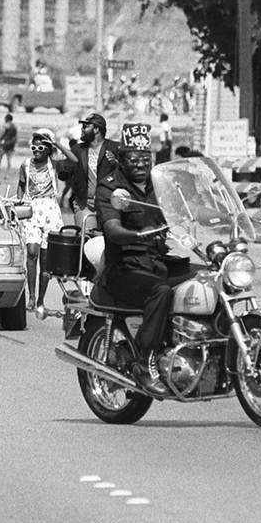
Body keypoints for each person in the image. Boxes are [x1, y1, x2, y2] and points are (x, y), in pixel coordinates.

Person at [95, 122, 198, 397]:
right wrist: (136, 234)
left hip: (155, 262)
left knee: (207, 280)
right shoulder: (111, 188)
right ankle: (143, 361)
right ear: (122, 159)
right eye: (133, 159)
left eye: (145, 158)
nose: (140, 164)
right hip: (124, 268)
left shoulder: (160, 185)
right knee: (160, 291)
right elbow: (112, 229)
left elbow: (187, 210)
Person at [18, 129, 66, 313]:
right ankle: (30, 296)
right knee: (32, 252)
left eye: (41, 147)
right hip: (32, 209)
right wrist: (19, 204)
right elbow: (21, 186)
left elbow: (74, 161)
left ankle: (40, 300)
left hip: (51, 211)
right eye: (34, 146)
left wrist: (56, 144)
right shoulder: (25, 165)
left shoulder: (54, 164)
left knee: (46, 260)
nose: (36, 150)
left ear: (48, 149)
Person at [66, 113, 119, 229]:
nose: (82, 129)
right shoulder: (77, 150)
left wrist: (116, 163)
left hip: (108, 206)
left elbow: (126, 175)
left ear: (96, 129)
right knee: (86, 240)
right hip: (84, 205)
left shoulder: (114, 148)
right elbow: (64, 175)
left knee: (108, 242)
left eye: (86, 126)